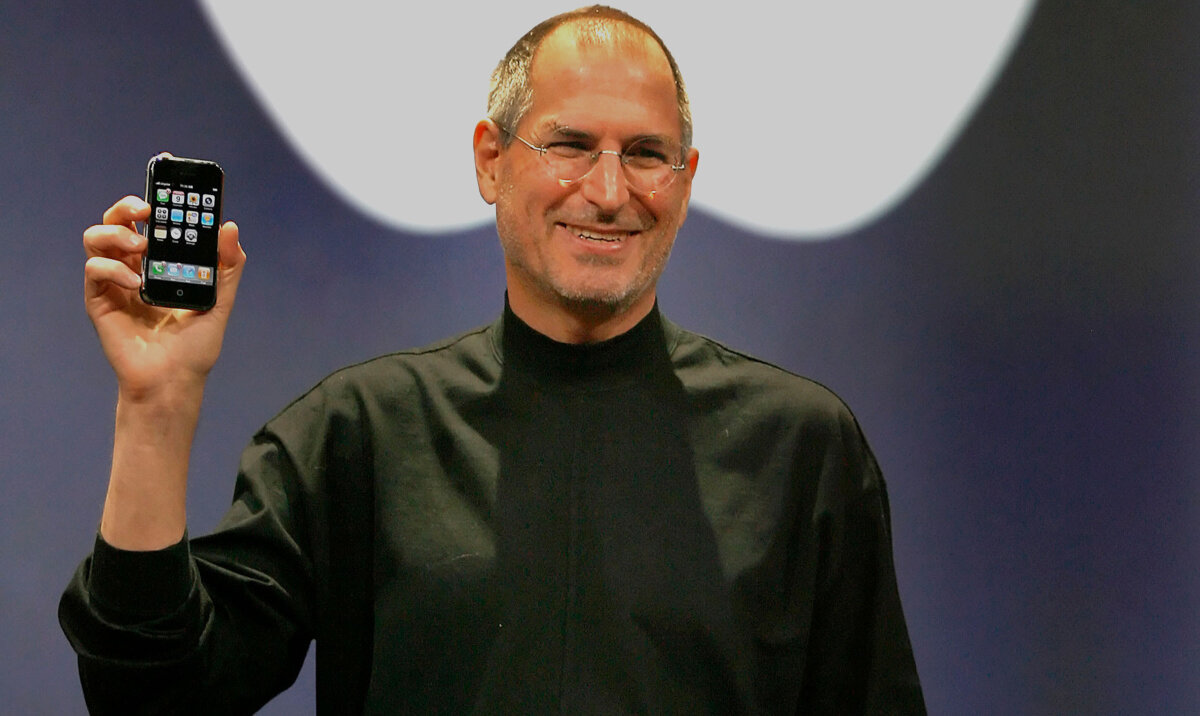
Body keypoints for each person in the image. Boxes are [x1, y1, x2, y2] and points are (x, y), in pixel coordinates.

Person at [61, 6, 925, 714]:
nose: (609, 191)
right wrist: (156, 404)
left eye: (646, 155)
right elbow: (154, 697)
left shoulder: (800, 446)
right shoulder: (359, 435)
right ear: (490, 160)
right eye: (570, 145)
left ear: (686, 180)